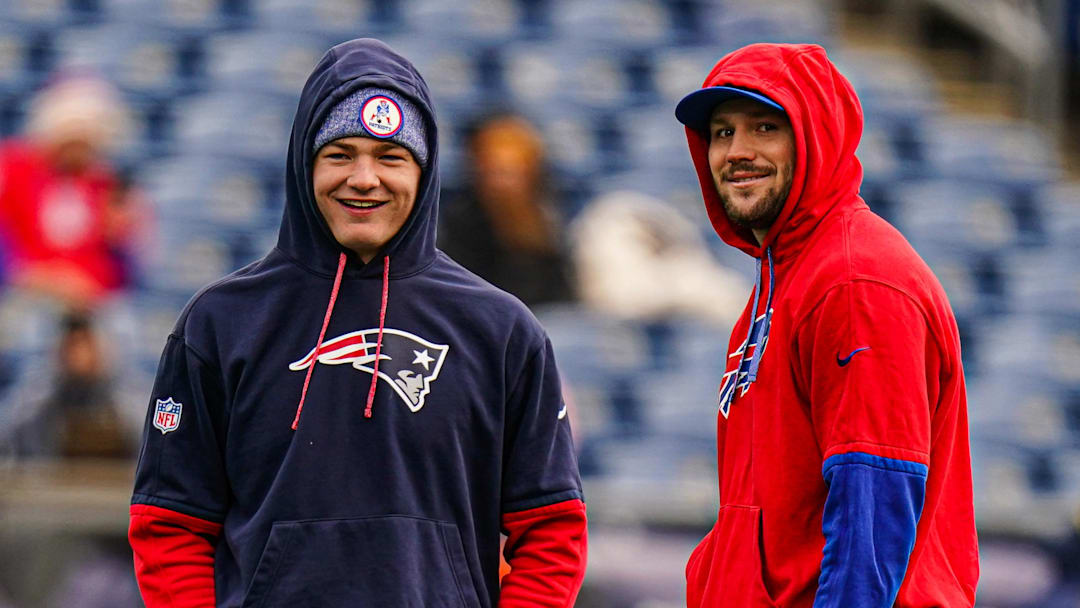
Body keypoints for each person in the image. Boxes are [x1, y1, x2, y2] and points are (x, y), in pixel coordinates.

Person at [128, 39, 587, 607]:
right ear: (305, 163)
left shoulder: (502, 331)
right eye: (340, 154)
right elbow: (170, 525)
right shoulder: (219, 324)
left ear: (424, 171)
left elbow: (551, 529)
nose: (365, 178)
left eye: (391, 157)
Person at [673, 43, 978, 606]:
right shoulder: (786, 278)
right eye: (721, 132)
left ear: (816, 135)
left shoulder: (856, 282)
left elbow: (873, 506)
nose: (737, 152)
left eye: (765, 126)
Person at [0, 75, 139, 310]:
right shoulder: (17, 171)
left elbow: (122, 269)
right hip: (23, 290)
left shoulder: (105, 186)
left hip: (86, 298)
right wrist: (37, 277)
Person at [439, 113, 575, 308]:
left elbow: (561, 292)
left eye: (512, 172)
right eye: (495, 171)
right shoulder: (461, 222)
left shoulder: (548, 219)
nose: (503, 184)